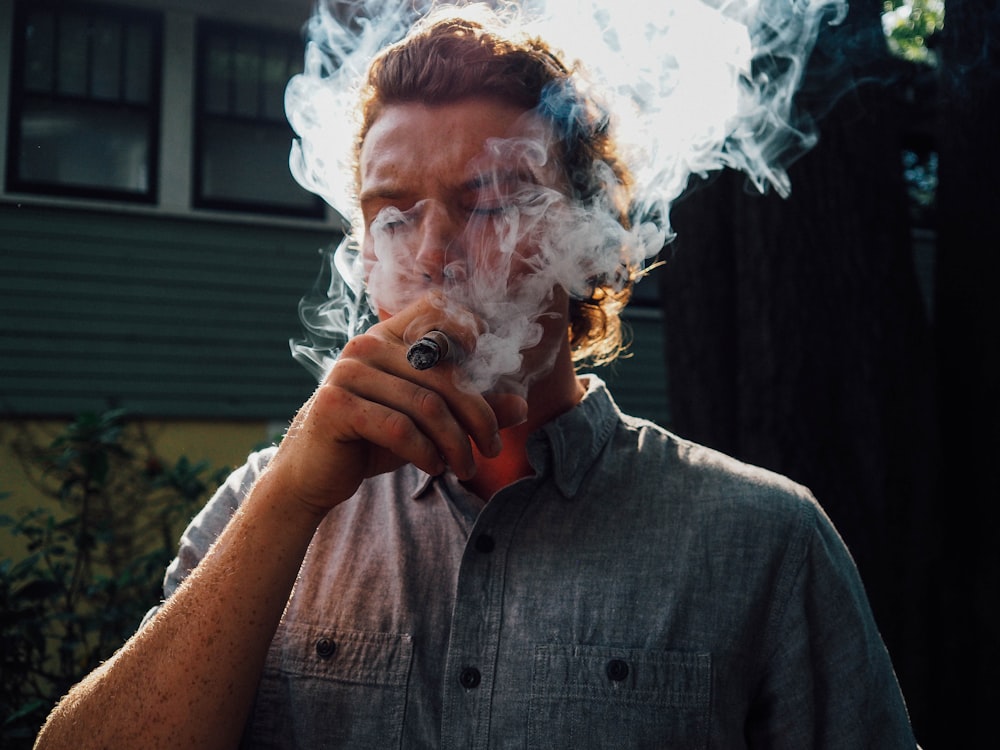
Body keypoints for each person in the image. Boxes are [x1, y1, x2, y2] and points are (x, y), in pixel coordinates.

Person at [35, 5, 918, 748]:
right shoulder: (265, 508)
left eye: (488, 201)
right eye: (393, 215)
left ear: (588, 239)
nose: (432, 252)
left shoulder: (763, 540)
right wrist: (291, 498)